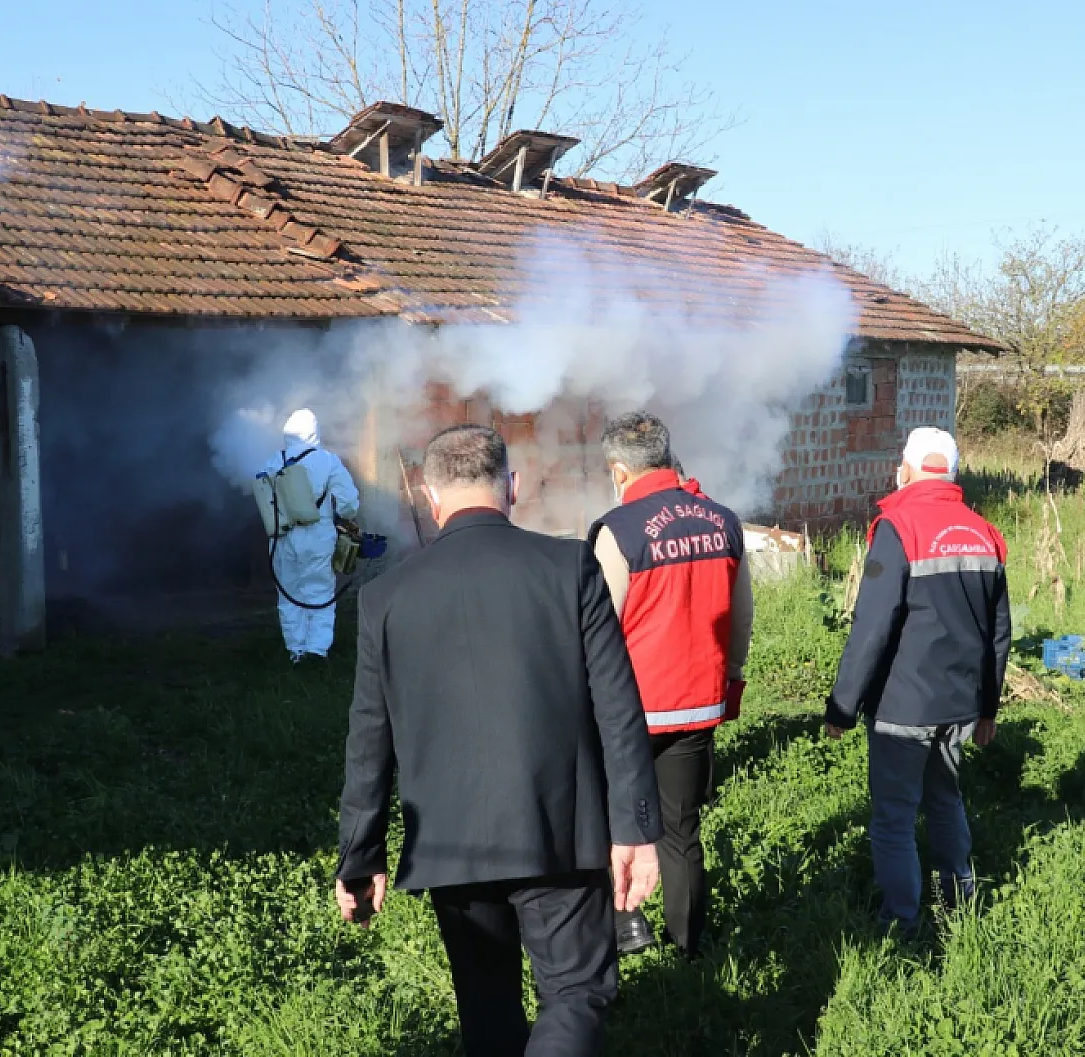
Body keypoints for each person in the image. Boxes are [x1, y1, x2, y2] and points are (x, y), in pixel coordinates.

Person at [335, 424, 662, 1057]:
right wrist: (635, 831)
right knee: (574, 993)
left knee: (485, 1008)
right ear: (511, 487)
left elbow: (368, 737)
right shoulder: (570, 566)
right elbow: (619, 711)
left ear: (433, 500)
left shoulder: (384, 598)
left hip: (450, 846)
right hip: (560, 835)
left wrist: (360, 854)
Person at [823, 426, 1011, 932]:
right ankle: (960, 900)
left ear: (904, 469)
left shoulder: (897, 527)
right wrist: (988, 709)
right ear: (952, 473)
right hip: (960, 704)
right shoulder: (984, 532)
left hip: (902, 706)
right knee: (946, 799)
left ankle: (901, 920)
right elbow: (999, 633)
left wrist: (843, 706)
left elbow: (872, 628)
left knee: (894, 816)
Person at [589, 412, 752, 959]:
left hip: (628, 710)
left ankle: (627, 923)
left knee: (616, 822)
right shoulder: (725, 521)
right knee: (682, 833)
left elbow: (599, 626)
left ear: (619, 469)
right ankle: (689, 948)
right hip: (697, 705)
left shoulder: (619, 530)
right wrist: (730, 678)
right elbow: (741, 614)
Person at [263, 408, 360, 662]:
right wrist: (345, 517)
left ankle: (296, 650)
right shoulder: (328, 460)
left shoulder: (274, 460)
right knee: (318, 590)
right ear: (315, 432)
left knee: (289, 592)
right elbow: (349, 502)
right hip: (317, 535)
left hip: (281, 536)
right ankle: (317, 650)